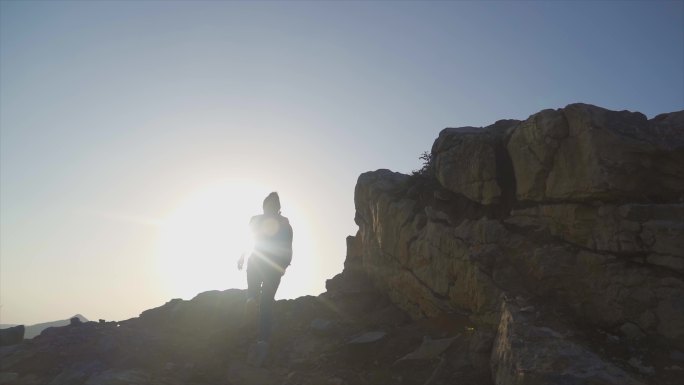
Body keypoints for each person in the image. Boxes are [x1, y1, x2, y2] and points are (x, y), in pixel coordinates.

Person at [237, 192, 293, 348]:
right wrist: (284, 266)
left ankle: (251, 300)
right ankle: (263, 341)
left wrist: (242, 257)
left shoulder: (255, 220)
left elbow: (248, 239)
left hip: (255, 261)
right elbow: (288, 247)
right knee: (267, 302)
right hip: (273, 267)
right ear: (278, 207)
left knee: (253, 291)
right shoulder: (285, 224)